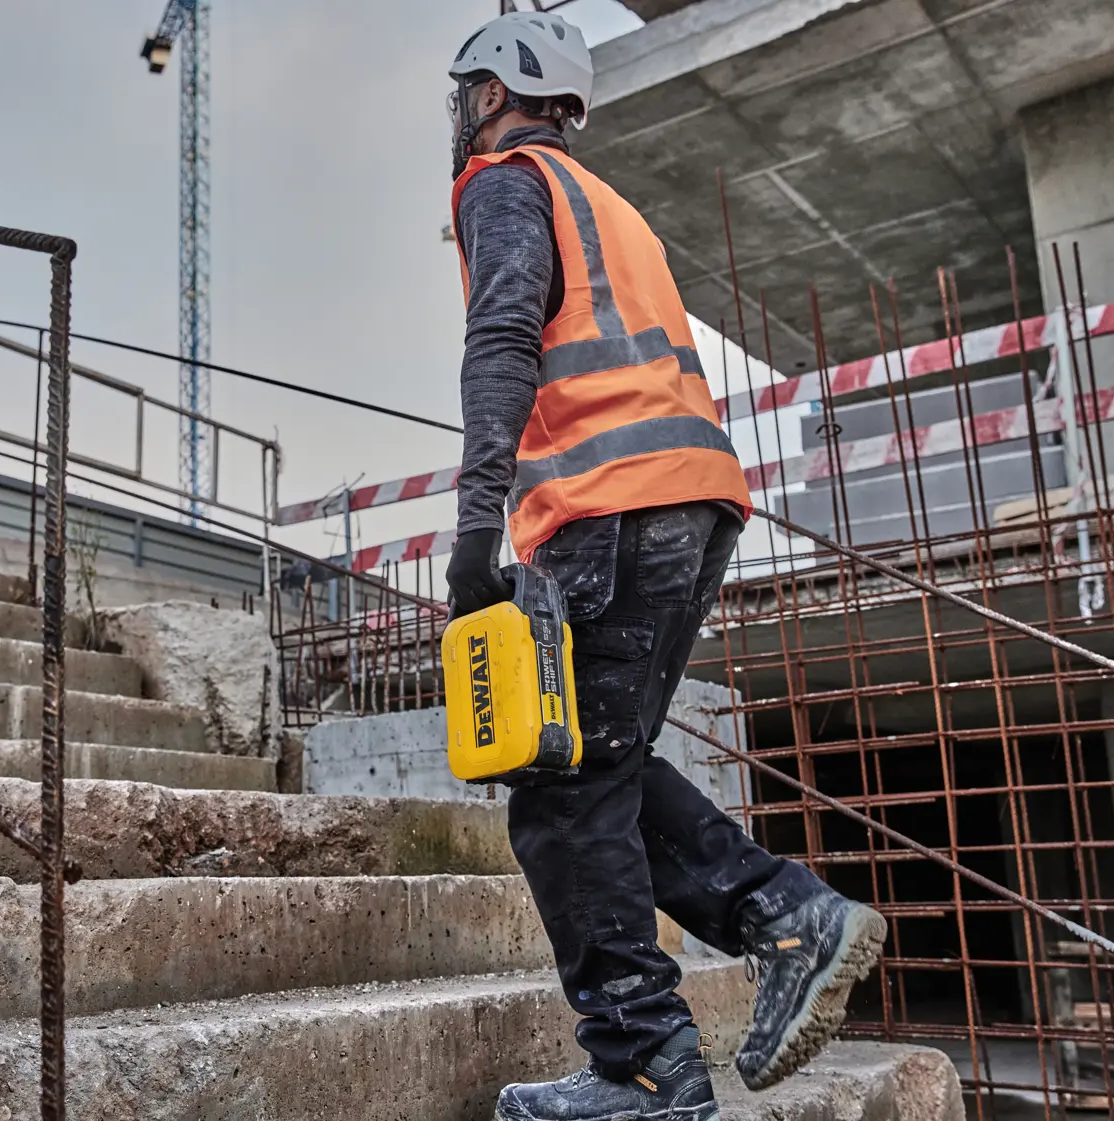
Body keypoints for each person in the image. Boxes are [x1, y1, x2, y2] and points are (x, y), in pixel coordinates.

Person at [443, 13, 888, 1121]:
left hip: (609, 511)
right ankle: (782, 918)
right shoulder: (614, 206)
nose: (456, 117)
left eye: (462, 96)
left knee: (559, 793)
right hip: (693, 499)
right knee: (602, 757)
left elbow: (502, 336)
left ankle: (645, 1059)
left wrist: (471, 525)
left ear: (491, 95)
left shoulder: (503, 182)